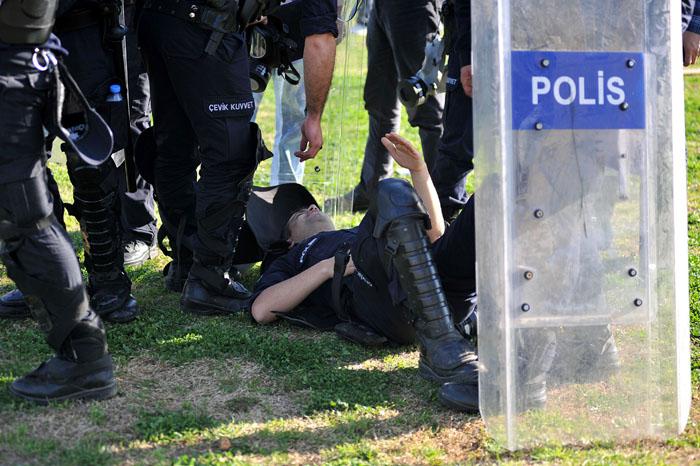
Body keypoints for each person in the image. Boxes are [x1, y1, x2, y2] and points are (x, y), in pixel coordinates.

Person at [138, 0, 338, 315]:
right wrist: (313, 116)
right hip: (207, 26)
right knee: (232, 155)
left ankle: (188, 258)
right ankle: (210, 278)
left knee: (175, 141)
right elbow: (319, 39)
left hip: (159, 18)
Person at [250, 133, 479, 390]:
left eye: (313, 206)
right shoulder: (294, 259)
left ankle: (485, 326)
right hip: (382, 299)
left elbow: (435, 234)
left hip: (440, 291)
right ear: (290, 241)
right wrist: (328, 268)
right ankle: (442, 339)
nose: (312, 208)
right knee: (392, 191)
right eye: (300, 214)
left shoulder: (357, 233)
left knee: (487, 199)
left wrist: (419, 171)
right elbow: (261, 310)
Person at [0, 0, 158, 321]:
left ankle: (108, 279)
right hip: (13, 39)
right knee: (21, 166)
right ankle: (49, 279)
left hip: (82, 31)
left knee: (92, 166)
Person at [0, 0, 116, 403]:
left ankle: (86, 357)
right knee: (22, 210)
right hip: (17, 60)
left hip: (13, 62)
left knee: (24, 216)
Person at [332, 0, 444, 212]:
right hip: (381, 7)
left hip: (414, 8)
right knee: (379, 100)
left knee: (426, 107)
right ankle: (372, 188)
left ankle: (439, 202)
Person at [427, 0, 473, 221]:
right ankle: (440, 231)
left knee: (457, 148)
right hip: (473, 33)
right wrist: (468, 53)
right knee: (457, 147)